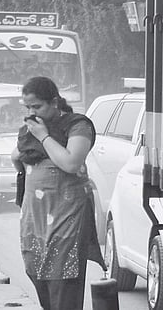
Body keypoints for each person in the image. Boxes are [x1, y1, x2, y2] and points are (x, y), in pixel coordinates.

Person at [11, 77, 106, 310]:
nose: (32, 113)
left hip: (67, 217)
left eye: (37, 107)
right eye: (28, 108)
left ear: (54, 102)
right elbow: (17, 156)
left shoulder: (77, 125)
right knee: (37, 273)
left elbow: (71, 163)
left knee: (63, 278)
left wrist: (44, 136)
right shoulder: (29, 130)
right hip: (36, 217)